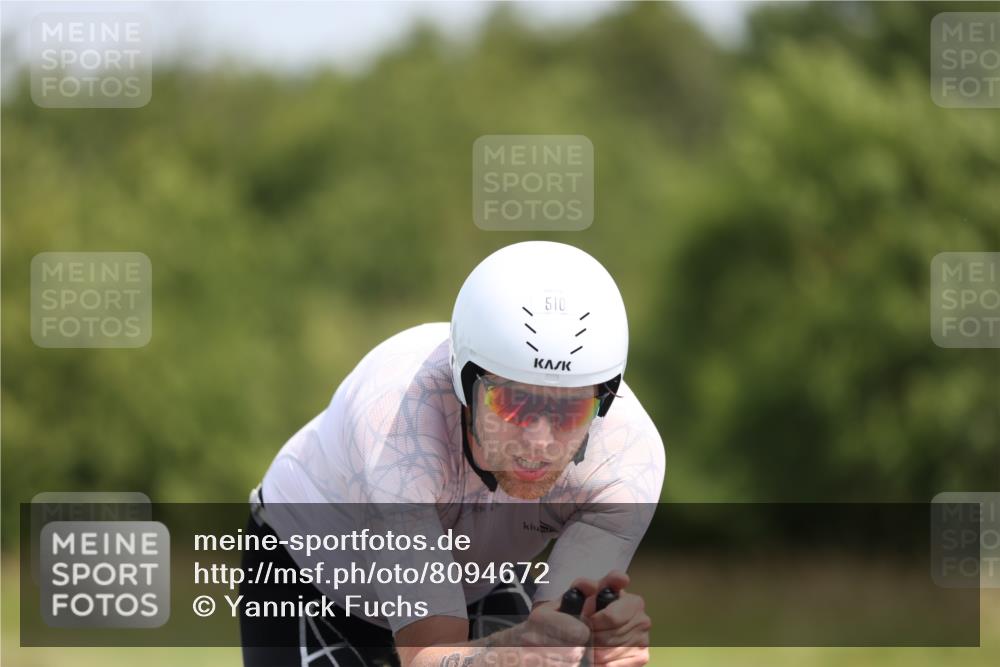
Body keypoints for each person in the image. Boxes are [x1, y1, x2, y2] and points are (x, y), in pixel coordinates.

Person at [240, 241, 665, 666]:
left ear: (603, 401)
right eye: (513, 403)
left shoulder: (625, 457)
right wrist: (515, 653)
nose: (539, 441)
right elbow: (426, 654)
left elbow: (557, 639)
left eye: (570, 409)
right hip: (310, 574)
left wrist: (594, 648)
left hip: (472, 581)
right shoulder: (398, 423)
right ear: (465, 381)